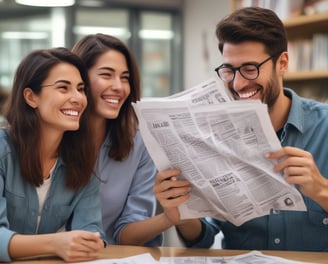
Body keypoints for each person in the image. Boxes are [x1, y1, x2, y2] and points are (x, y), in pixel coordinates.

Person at [154, 6, 328, 251]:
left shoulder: (325, 126)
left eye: (249, 69)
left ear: (283, 63)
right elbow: (203, 237)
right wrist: (179, 211)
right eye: (229, 71)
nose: (238, 83)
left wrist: (321, 190)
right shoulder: (212, 136)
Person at [0, 47, 106, 262]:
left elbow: (92, 231)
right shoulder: (2, 150)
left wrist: (88, 242)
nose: (78, 98)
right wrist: (56, 243)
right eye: (63, 88)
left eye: (81, 88)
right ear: (31, 97)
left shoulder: (81, 160)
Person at [72, 33, 177, 247]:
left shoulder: (140, 142)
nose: (119, 87)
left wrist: (169, 218)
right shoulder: (55, 136)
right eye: (106, 75)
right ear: (80, 79)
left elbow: (125, 232)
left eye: (125, 77)